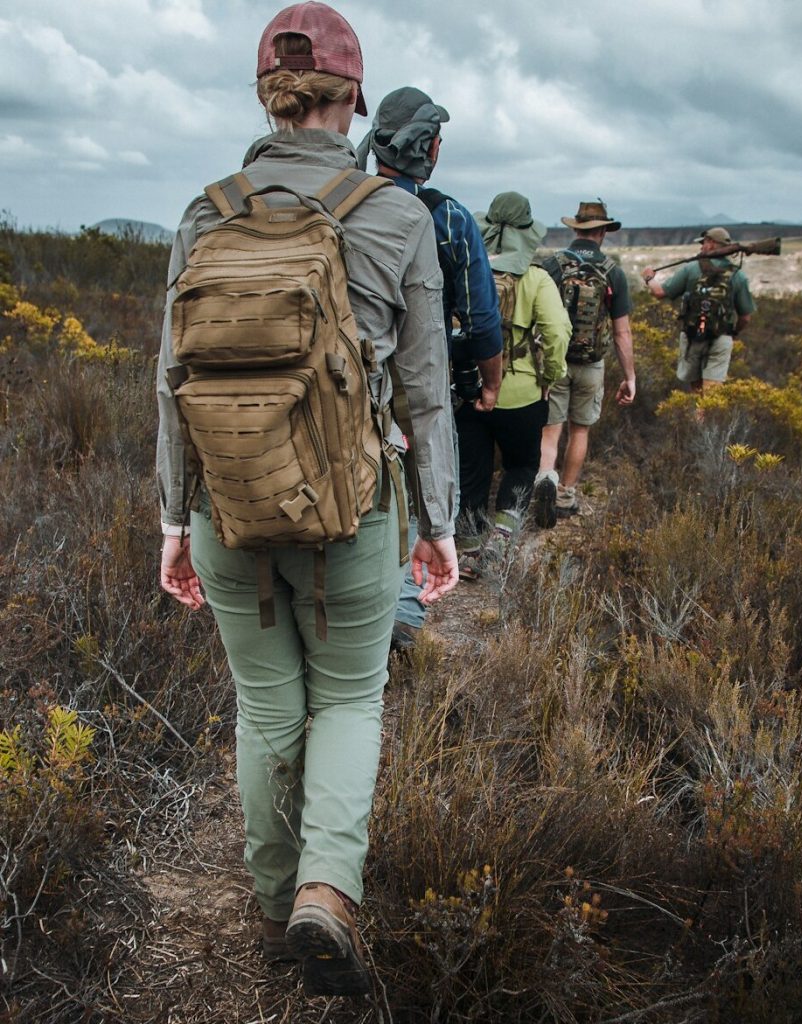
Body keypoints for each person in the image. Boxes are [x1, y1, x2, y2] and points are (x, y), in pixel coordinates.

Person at [156, 2, 458, 998]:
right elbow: (425, 389)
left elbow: (169, 380)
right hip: (353, 509)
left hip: (225, 508)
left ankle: (269, 886)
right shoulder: (395, 213)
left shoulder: (204, 213)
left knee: (266, 705)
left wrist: (172, 518)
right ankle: (325, 892)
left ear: (266, 93)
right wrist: (442, 522)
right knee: (347, 698)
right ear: (352, 97)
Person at [356, 86, 503, 648]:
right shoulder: (447, 219)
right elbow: (482, 319)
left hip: (346, 385)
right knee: (419, 497)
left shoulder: (343, 203)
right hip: (417, 380)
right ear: (431, 149)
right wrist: (489, 383)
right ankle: (400, 625)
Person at [456, 192, 570, 572]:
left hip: (467, 387)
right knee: (521, 465)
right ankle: (501, 543)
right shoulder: (536, 279)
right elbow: (556, 332)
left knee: (473, 471)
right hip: (521, 394)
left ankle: (469, 552)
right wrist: (549, 377)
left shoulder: (464, 271)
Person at [537, 200, 636, 522]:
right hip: (592, 364)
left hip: (555, 361)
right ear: (604, 231)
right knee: (580, 431)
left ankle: (544, 482)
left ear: (576, 228)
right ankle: (565, 495)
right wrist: (629, 376)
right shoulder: (613, 272)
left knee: (550, 431)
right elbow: (622, 332)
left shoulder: (553, 264)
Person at [641, 226, 755, 392]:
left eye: (703, 243)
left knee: (696, 390)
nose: (701, 247)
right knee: (712, 393)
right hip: (721, 337)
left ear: (711, 244)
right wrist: (733, 333)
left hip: (692, 335)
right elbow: (745, 317)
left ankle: (696, 418)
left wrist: (649, 278)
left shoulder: (691, 268)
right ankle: (709, 417)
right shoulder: (738, 275)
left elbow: (659, 292)